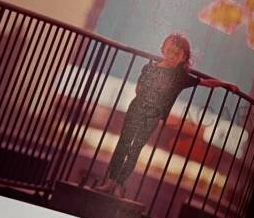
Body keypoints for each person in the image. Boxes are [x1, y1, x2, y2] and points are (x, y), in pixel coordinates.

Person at [97, 32, 238, 197]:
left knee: (135, 149)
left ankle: (119, 183)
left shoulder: (180, 77)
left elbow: (206, 83)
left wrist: (225, 84)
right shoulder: (149, 67)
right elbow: (138, 88)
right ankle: (111, 181)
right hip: (135, 110)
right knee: (123, 144)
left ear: (183, 58)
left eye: (177, 54)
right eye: (170, 51)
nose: (172, 56)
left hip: (152, 117)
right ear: (163, 49)